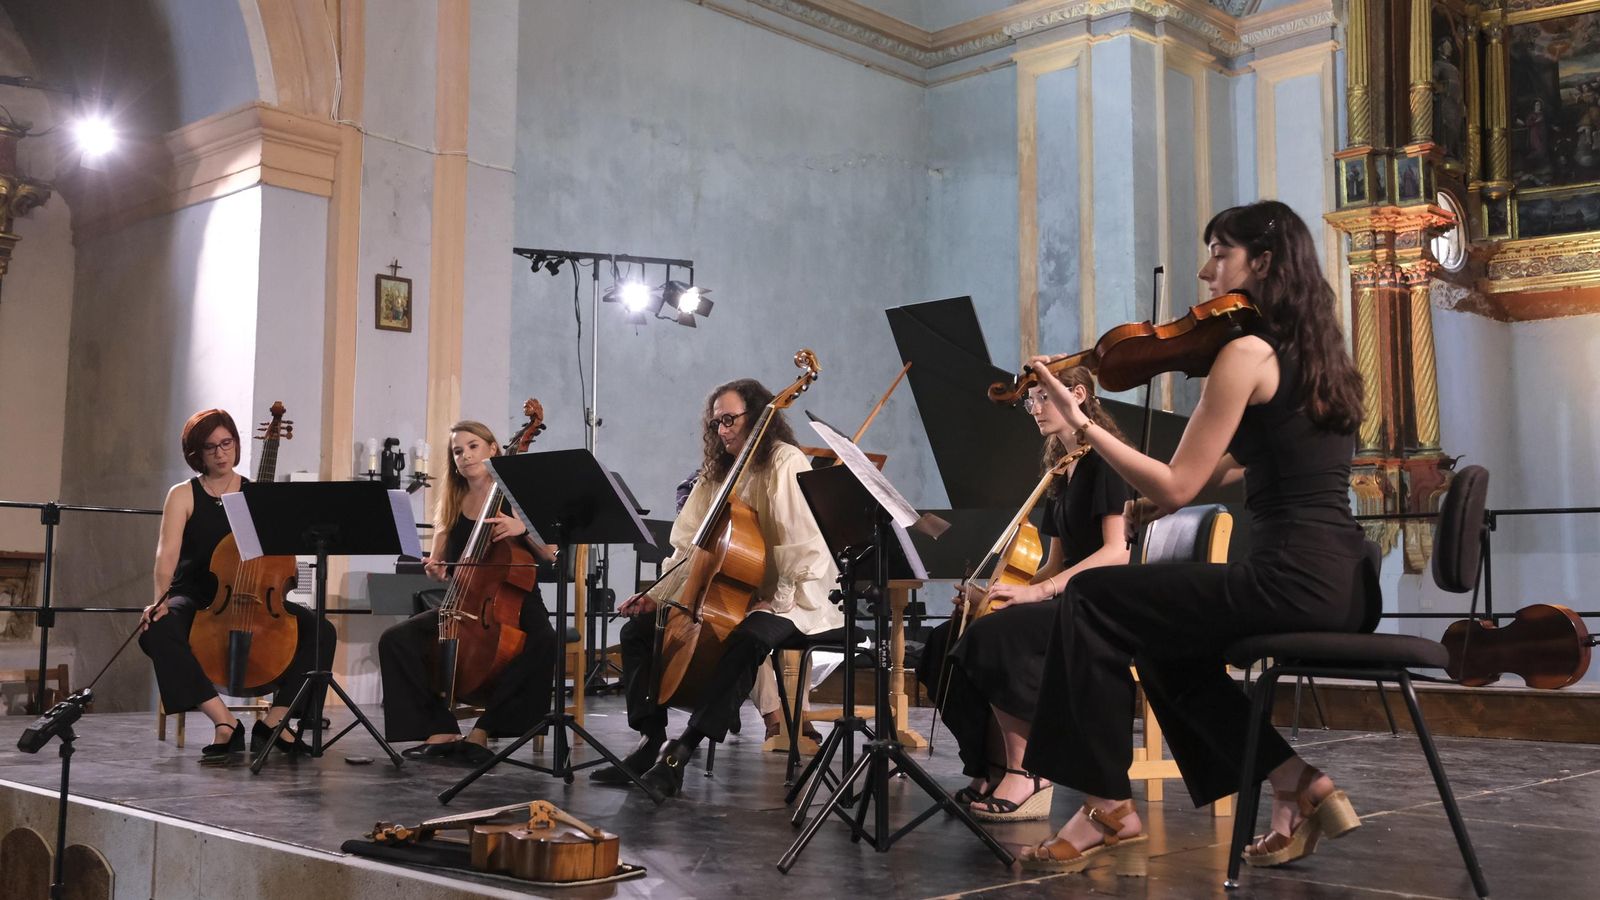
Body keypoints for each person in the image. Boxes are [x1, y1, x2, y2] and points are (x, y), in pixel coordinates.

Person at [1018, 200, 1369, 873]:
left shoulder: (1244, 351)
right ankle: (1295, 779)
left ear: (1260, 263)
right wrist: (1151, 503)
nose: (1207, 272)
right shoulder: (1321, 355)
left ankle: (1105, 805)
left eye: (1220, 254)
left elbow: (1178, 485)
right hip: (1344, 580)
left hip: (1290, 579)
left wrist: (1082, 423)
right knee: (1160, 641)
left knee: (1091, 595)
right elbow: (1241, 465)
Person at [590, 378, 841, 797]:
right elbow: (689, 546)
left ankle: (681, 752)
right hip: (732, 593)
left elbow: (806, 548)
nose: (722, 430)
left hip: (794, 596)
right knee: (637, 631)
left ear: (759, 415)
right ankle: (649, 741)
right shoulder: (718, 472)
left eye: (729, 420)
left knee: (747, 639)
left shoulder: (784, 461)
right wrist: (657, 595)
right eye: (716, 424)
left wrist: (772, 602)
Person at [917, 369, 1131, 822]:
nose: (1034, 409)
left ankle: (1030, 772)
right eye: (1030, 401)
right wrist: (997, 593)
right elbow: (1054, 562)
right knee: (944, 643)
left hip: (1102, 606)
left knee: (996, 637)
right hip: (1066, 599)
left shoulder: (1106, 462)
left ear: (1077, 395)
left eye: (1043, 398)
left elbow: (1117, 554)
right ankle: (987, 765)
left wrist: (1042, 593)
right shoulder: (1061, 467)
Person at [140, 408, 336, 763]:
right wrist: (159, 600)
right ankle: (224, 721)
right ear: (196, 454)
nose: (220, 453)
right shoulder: (183, 494)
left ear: (236, 443)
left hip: (257, 597)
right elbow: (165, 554)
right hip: (198, 597)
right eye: (210, 447)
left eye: (226, 443)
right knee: (155, 630)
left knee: (321, 629)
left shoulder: (256, 493)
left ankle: (276, 722)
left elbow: (279, 554)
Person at [377, 420, 558, 764]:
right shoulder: (452, 500)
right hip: (463, 602)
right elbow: (444, 563)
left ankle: (484, 730)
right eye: (458, 451)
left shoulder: (517, 493)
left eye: (473, 446)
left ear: (493, 449)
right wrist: (437, 567)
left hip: (517, 600)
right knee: (396, 640)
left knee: (543, 641)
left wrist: (522, 528)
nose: (465, 455)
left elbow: (550, 553)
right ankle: (440, 728)